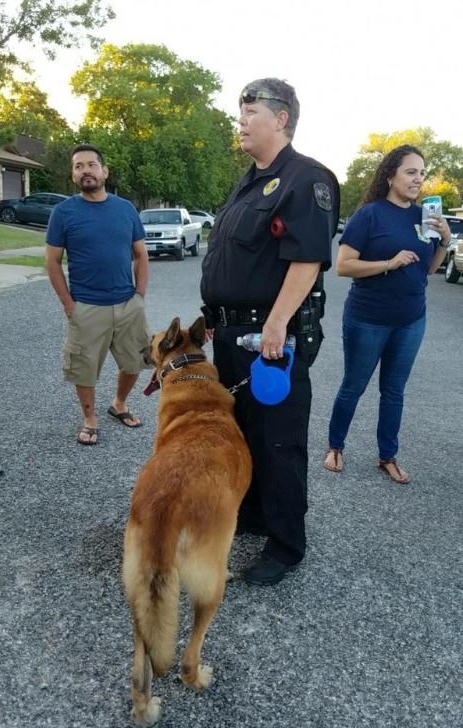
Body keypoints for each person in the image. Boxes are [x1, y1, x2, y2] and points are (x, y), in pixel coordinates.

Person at [200, 78, 340, 586]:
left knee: (279, 441)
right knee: (246, 432)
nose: (240, 120)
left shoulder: (306, 180)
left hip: (271, 337)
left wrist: (278, 324)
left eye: (250, 111)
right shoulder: (249, 181)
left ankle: (286, 545)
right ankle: (256, 515)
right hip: (233, 333)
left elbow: (306, 259)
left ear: (281, 119)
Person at [323, 145, 451, 483]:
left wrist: (444, 241)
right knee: (354, 385)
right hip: (368, 318)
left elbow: (427, 271)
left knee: (394, 390)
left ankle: (387, 455)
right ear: (391, 175)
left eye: (421, 173)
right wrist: (389, 263)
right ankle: (336, 445)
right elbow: (343, 266)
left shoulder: (423, 217)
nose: (418, 179)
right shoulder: (370, 214)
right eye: (411, 172)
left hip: (411, 319)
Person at [46, 144, 150, 445]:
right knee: (84, 367)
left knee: (136, 362)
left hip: (128, 304)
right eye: (79, 166)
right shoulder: (63, 212)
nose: (86, 170)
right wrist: (69, 305)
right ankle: (90, 418)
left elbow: (140, 255)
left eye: (91, 165)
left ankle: (119, 404)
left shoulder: (125, 209)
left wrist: (139, 296)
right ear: (73, 175)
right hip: (87, 306)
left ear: (104, 171)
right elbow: (52, 262)